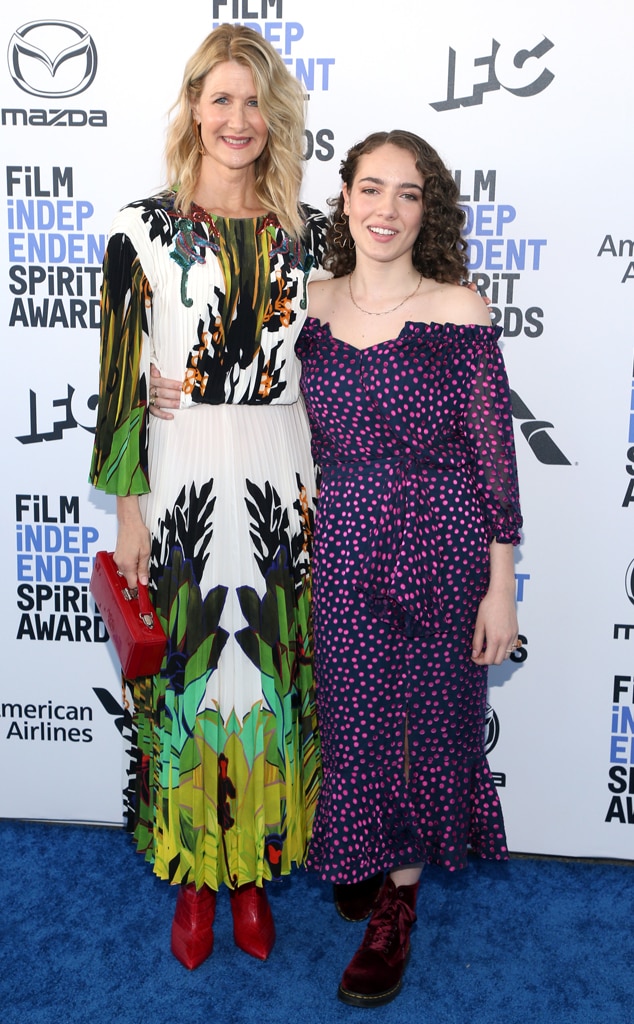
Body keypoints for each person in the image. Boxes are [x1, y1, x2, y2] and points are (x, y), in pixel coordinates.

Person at [89, 24, 328, 970]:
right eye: (220, 98)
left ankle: (259, 870)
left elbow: (363, 330)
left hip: (280, 468)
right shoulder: (137, 231)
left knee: (269, 675)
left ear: (275, 118)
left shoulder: (311, 235)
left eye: (254, 101)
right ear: (194, 108)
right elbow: (117, 389)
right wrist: (131, 511)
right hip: (182, 469)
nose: (238, 118)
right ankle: (195, 875)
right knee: (190, 678)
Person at [295, 130, 523, 1007]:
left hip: (442, 538)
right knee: (353, 721)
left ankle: (399, 903)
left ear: (429, 212)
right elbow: (250, 402)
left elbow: (494, 456)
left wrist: (501, 584)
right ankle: (365, 851)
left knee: (431, 724)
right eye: (371, 188)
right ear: (344, 198)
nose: (386, 209)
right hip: (345, 538)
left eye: (409, 194)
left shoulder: (459, 308)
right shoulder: (308, 307)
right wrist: (170, 392)